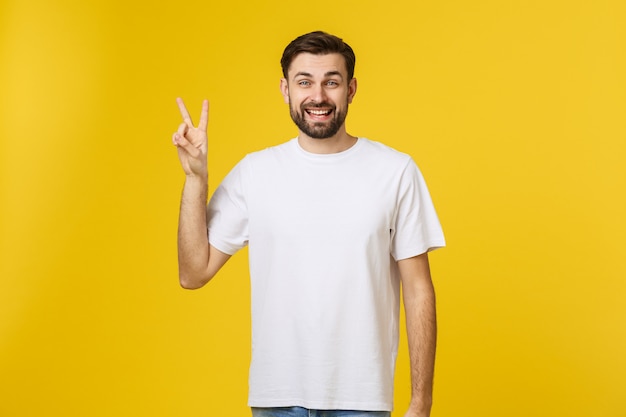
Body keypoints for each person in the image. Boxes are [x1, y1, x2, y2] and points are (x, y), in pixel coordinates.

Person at [172, 31, 445, 417]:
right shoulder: (256, 172)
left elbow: (419, 290)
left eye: (331, 82)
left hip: (362, 400)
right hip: (277, 397)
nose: (318, 96)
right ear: (285, 89)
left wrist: (421, 402)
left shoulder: (395, 171)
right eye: (304, 82)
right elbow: (193, 272)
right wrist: (195, 179)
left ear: (350, 89)